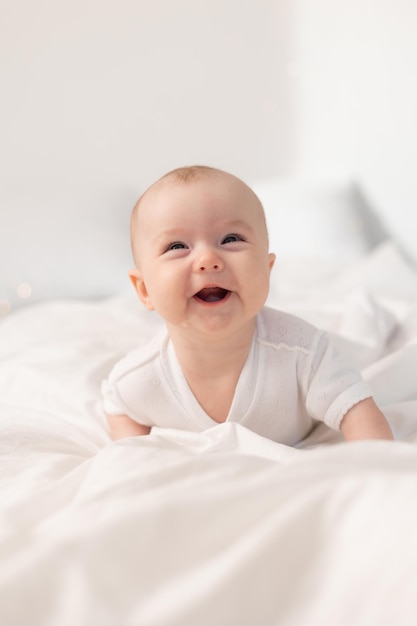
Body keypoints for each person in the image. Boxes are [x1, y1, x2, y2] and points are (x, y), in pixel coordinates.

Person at [101, 165, 393, 444]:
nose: (207, 260)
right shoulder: (141, 376)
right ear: (144, 290)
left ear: (267, 270)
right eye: (177, 246)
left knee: (363, 344)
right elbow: (117, 406)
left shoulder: (305, 354)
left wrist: (381, 470)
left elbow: (357, 410)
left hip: (330, 349)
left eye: (230, 239)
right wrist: (132, 450)